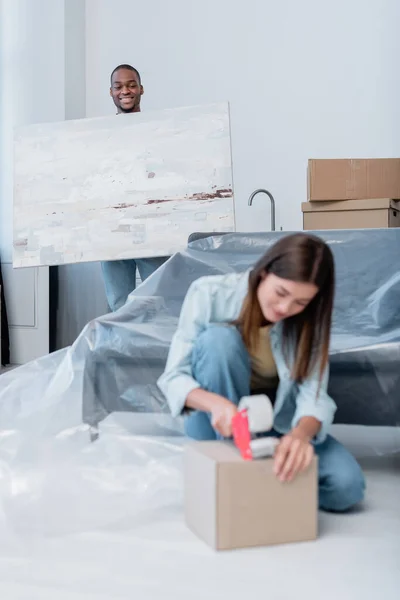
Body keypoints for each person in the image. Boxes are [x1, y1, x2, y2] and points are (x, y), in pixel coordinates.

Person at [157, 233, 366, 513]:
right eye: (281, 293)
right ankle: (238, 467)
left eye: (300, 303)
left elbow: (314, 394)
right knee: (219, 340)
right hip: (216, 419)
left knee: (346, 487)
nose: (285, 309)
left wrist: (299, 436)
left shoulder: (308, 322)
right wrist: (218, 405)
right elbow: (173, 377)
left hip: (273, 419)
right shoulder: (210, 293)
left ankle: (254, 481)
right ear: (264, 272)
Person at [101, 64, 168, 311]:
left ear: (141, 89)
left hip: (152, 226)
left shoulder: (160, 132)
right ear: (111, 92)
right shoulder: (100, 137)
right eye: (118, 86)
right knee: (118, 304)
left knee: (157, 299)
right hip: (113, 229)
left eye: (131, 85)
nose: (125, 91)